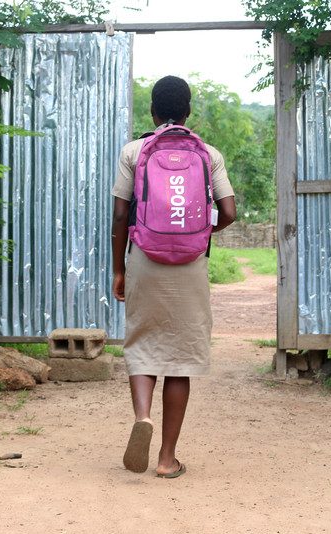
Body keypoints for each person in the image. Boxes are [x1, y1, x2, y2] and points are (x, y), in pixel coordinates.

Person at [110, 75, 237, 478]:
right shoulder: (209, 154)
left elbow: (119, 214)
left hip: (144, 257)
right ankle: (166, 459)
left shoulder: (134, 151)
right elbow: (229, 211)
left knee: (143, 344)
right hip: (190, 263)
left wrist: (118, 269)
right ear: (188, 112)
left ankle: (142, 417)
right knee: (179, 360)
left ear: (152, 110)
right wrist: (202, 232)